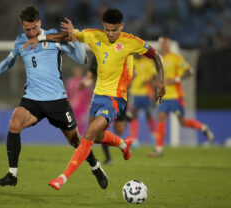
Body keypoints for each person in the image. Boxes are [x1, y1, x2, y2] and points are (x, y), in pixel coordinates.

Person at [23, 8, 165, 190]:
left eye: (115, 30)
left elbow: (156, 57)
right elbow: (66, 37)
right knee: (97, 137)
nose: (111, 34)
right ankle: (123, 144)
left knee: (88, 135)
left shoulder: (131, 42)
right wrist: (40, 39)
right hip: (97, 96)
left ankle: (62, 178)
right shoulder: (94, 35)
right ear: (103, 27)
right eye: (107, 29)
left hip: (116, 98)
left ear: (121, 26)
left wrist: (161, 82)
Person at [0, 5, 108, 189]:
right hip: (32, 99)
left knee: (75, 141)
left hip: (57, 101)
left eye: (33, 28)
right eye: (26, 29)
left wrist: (75, 39)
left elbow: (81, 59)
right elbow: (8, 62)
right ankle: (12, 174)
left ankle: (96, 166)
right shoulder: (21, 41)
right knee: (14, 125)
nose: (30, 32)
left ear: (39, 23)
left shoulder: (54, 37)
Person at [148, 37, 214, 157]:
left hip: (175, 96)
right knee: (161, 118)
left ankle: (203, 127)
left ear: (169, 45)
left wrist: (176, 79)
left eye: (165, 43)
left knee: (182, 122)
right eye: (162, 44)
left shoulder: (176, 58)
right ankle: (158, 149)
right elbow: (155, 78)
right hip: (164, 97)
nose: (164, 46)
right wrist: (155, 83)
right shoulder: (158, 59)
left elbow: (190, 71)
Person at [128, 54, 157, 148]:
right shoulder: (132, 62)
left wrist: (150, 83)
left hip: (146, 93)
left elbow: (154, 77)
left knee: (149, 115)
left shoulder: (148, 62)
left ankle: (153, 136)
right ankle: (134, 139)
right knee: (133, 115)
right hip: (135, 93)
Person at [66, 65, 92, 135]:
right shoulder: (70, 82)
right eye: (76, 71)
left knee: (80, 124)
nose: (77, 72)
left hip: (82, 107)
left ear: (81, 72)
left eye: (78, 71)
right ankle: (75, 139)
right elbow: (68, 95)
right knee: (73, 124)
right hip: (72, 106)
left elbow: (88, 95)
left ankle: (80, 139)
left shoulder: (85, 82)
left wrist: (88, 105)